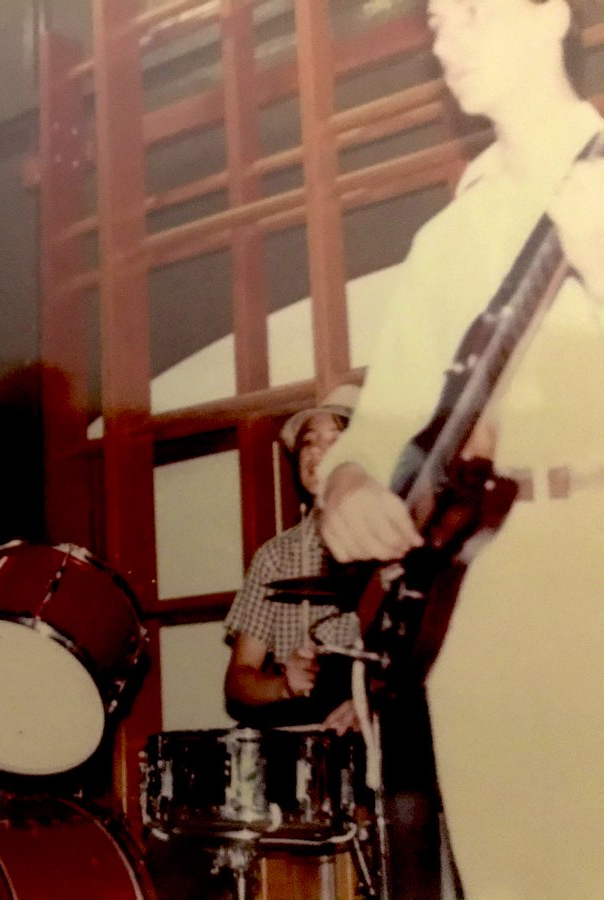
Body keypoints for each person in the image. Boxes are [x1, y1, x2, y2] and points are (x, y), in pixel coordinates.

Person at [317, 1, 604, 896]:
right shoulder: (446, 239)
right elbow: (375, 428)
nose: (447, 39)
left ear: (553, 13)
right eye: (438, 20)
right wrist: (347, 485)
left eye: (472, 10)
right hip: (482, 597)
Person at [223, 384, 362, 733]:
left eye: (335, 440)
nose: (317, 452)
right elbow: (239, 679)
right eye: (309, 441)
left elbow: (436, 668)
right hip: (301, 741)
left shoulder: (400, 544)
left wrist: (371, 700)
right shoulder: (275, 555)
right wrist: (282, 685)